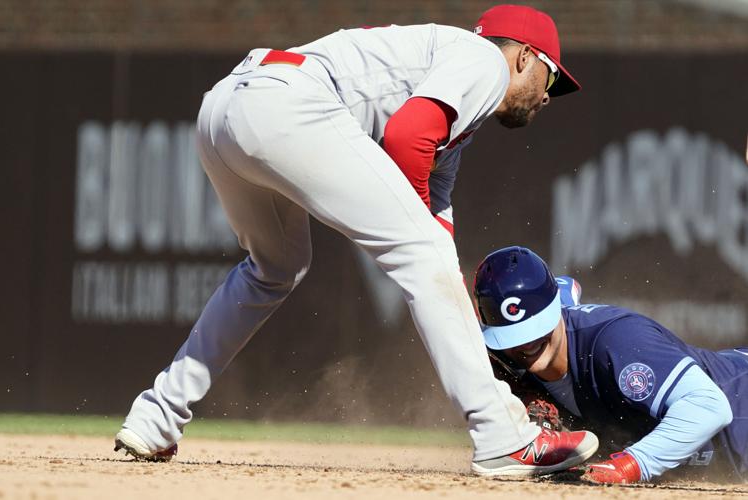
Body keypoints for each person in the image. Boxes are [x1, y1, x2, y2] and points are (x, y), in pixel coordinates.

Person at [114, 5, 600, 475]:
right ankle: (502, 438)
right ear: (523, 57)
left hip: (225, 108)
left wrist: (451, 294)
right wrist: (424, 256)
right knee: (418, 252)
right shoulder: (484, 63)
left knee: (274, 269)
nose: (546, 98)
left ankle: (156, 418)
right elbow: (408, 137)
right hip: (286, 105)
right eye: (552, 80)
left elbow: (432, 213)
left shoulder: (452, 93)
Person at [473, 246, 747, 483]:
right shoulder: (502, 362)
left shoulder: (617, 340)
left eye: (537, 327)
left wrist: (631, 464)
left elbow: (710, 406)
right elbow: (570, 289)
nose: (527, 344)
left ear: (556, 308)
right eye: (514, 336)